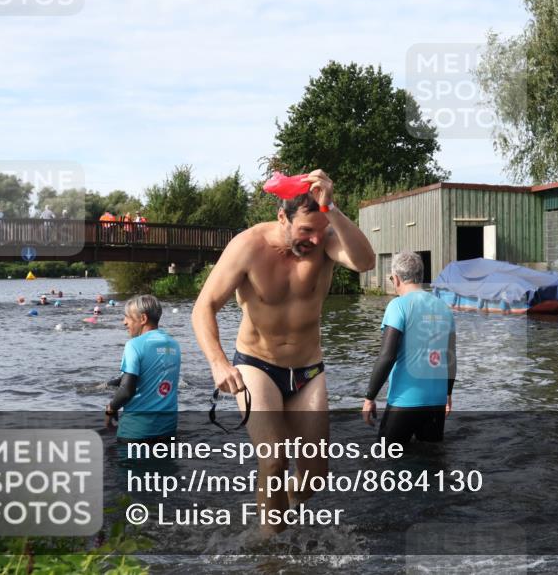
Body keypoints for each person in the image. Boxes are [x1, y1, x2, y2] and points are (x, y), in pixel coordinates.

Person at [192, 169, 375, 534]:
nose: (313, 239)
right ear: (282, 217)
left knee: (315, 477)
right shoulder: (249, 245)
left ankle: (279, 512)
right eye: (306, 230)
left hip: (308, 371)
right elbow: (204, 307)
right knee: (274, 459)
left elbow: (366, 262)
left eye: (320, 231)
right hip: (257, 365)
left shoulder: (325, 240)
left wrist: (331, 209)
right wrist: (218, 363)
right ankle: (270, 549)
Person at [362, 251, 456, 445]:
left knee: (386, 462)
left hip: (405, 401)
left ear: (396, 279)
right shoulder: (444, 309)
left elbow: (386, 356)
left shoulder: (398, 306)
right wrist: (447, 394)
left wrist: (370, 397)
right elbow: (450, 359)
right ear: (420, 276)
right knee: (432, 465)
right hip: (436, 403)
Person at [105, 295, 182, 442]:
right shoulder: (174, 345)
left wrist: (111, 408)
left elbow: (126, 391)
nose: (124, 322)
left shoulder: (134, 345)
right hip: (168, 430)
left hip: (136, 433)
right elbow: (150, 374)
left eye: (127, 317)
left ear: (143, 319)